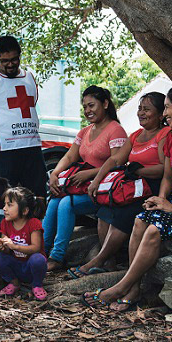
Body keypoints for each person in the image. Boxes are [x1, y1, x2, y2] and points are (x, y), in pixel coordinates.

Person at [81, 84, 172, 312]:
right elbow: (168, 177)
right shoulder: (171, 138)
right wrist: (159, 200)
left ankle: (120, 288)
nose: (165, 113)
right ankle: (134, 288)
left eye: (168, 108)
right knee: (140, 220)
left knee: (153, 229)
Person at [69, 92, 170, 278]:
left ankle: (98, 259)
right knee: (104, 211)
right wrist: (96, 181)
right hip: (132, 186)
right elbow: (115, 159)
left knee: (124, 213)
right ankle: (109, 262)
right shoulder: (136, 135)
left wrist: (137, 170)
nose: (141, 113)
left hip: (153, 187)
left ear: (161, 114)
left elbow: (165, 169)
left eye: (147, 109)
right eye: (140, 108)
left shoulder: (164, 134)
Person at [43, 86, 129, 271]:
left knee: (66, 204)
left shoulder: (116, 131)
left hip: (103, 190)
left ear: (105, 104)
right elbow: (69, 157)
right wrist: (55, 174)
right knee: (54, 200)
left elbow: (117, 165)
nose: (88, 110)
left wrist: (88, 174)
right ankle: (39, 251)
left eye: (92, 105)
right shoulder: (84, 132)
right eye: (85, 107)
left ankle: (56, 257)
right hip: (80, 187)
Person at [0, 35, 47, 197]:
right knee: (2, 197)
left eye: (14, 59)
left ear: (20, 56)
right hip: (5, 150)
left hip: (31, 146)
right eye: (5, 61)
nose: (10, 64)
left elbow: (31, 105)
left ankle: (37, 223)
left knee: (38, 196)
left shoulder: (29, 77)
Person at [0, 187, 48, 301]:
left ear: (25, 210)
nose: (4, 208)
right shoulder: (5, 223)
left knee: (38, 259)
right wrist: (2, 246)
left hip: (31, 267)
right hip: (16, 265)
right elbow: (7, 250)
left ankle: (37, 284)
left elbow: (36, 248)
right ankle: (14, 282)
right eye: (5, 204)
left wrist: (15, 246)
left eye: (10, 205)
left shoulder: (34, 223)